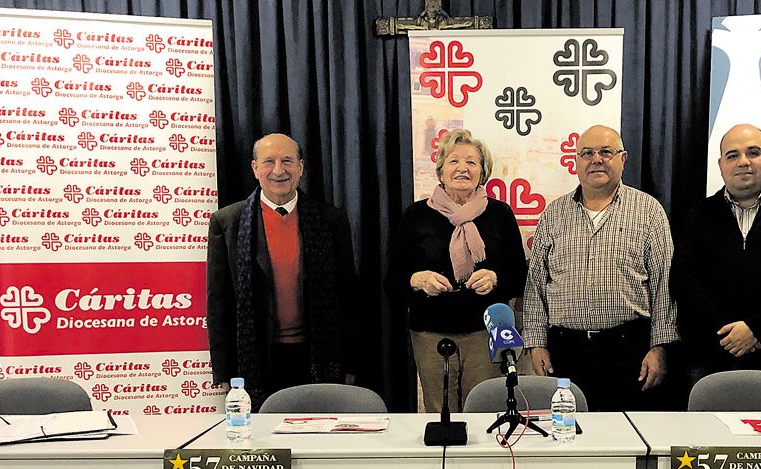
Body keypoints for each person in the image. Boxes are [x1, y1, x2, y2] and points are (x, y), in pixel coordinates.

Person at [523, 125, 678, 411]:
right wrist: (536, 343)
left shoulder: (649, 211)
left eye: (606, 152)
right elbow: (536, 285)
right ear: (576, 162)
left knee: (625, 440)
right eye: (587, 153)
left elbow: (664, 286)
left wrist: (660, 347)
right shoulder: (554, 213)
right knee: (569, 440)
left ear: (623, 158)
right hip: (564, 352)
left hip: (629, 350)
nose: (597, 159)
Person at [206, 133, 360, 405]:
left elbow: (347, 297)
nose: (278, 170)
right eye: (269, 161)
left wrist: (350, 363)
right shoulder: (227, 222)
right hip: (256, 358)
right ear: (255, 168)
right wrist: (224, 369)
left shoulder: (330, 220)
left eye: (287, 161)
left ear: (300, 168)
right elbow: (219, 302)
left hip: (317, 356)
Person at [387, 129, 526, 412]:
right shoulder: (415, 215)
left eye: (472, 162)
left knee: (484, 410)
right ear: (440, 170)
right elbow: (392, 281)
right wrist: (416, 279)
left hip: (484, 333)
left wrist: (496, 278)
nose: (462, 168)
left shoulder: (500, 214)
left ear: (482, 172)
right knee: (440, 413)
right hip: (431, 335)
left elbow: (520, 275)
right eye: (453, 161)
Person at [671, 123, 761, 386]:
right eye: (733, 155)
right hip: (710, 354)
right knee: (704, 428)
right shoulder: (700, 215)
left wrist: (755, 329)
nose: (743, 162)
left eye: (753, 152)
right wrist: (729, 333)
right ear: (721, 164)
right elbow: (685, 280)